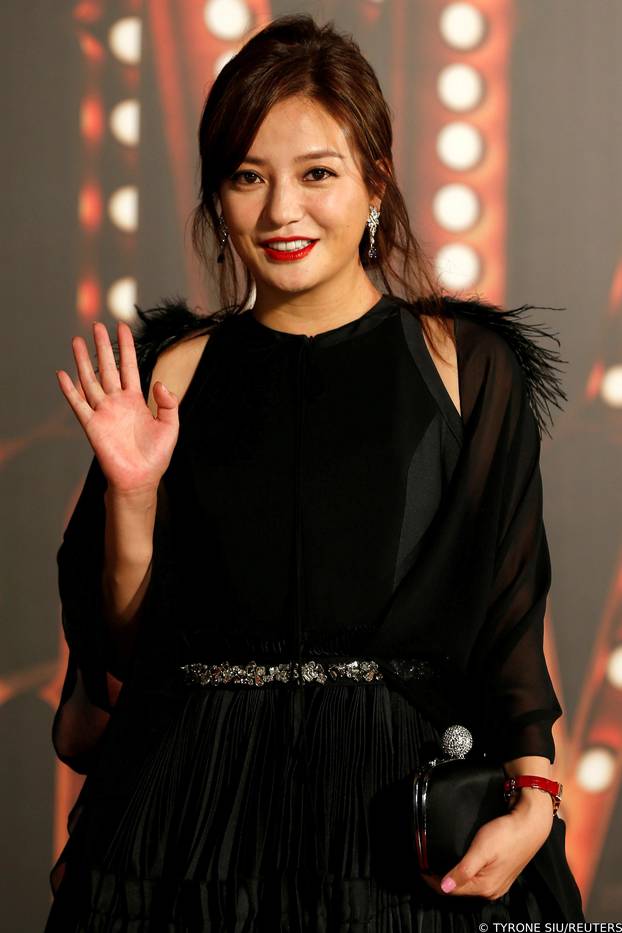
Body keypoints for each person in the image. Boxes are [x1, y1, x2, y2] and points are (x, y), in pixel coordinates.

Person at [44, 13, 584, 931]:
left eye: (316, 174)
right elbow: (124, 666)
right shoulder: (171, 375)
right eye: (247, 177)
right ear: (217, 195)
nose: (281, 211)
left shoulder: (465, 364)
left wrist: (537, 796)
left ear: (375, 180)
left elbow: (509, 620)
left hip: (400, 828)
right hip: (195, 828)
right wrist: (132, 498)